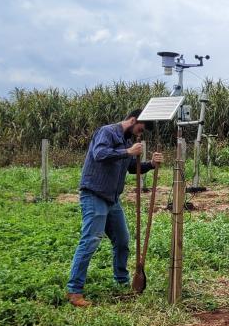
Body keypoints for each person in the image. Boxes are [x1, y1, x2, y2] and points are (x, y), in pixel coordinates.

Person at [66, 109, 162, 307]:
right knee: (91, 240)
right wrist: (128, 152)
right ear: (133, 120)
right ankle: (74, 290)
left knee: (122, 240)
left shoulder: (127, 142)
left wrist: (150, 164)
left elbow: (129, 168)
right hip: (94, 195)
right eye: (140, 130)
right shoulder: (107, 132)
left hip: (112, 199)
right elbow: (99, 153)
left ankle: (121, 282)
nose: (139, 134)